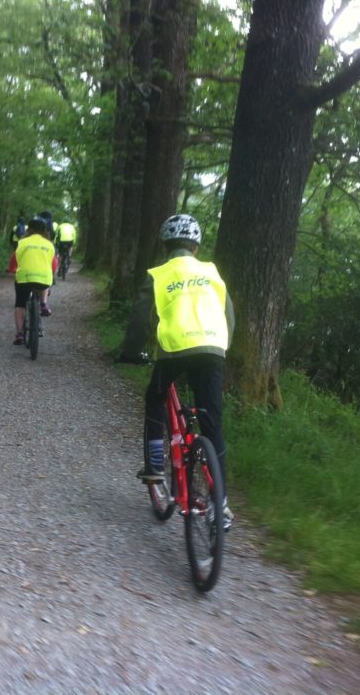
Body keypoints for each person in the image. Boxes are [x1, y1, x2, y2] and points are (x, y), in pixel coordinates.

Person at [117, 214, 235, 531]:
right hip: (212, 348)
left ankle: (155, 466)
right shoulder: (211, 272)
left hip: (174, 348)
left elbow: (141, 316)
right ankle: (219, 504)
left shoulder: (159, 273)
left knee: (155, 398)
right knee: (213, 425)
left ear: (165, 245)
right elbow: (228, 314)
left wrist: (132, 351)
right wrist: (221, 347)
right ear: (195, 247)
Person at [12, 216, 55, 345]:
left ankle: (20, 334)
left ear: (29, 229)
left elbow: (18, 260)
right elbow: (51, 263)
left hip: (24, 277)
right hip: (44, 277)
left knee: (20, 304)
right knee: (45, 278)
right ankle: (43, 304)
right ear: (45, 230)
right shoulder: (49, 244)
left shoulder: (22, 242)